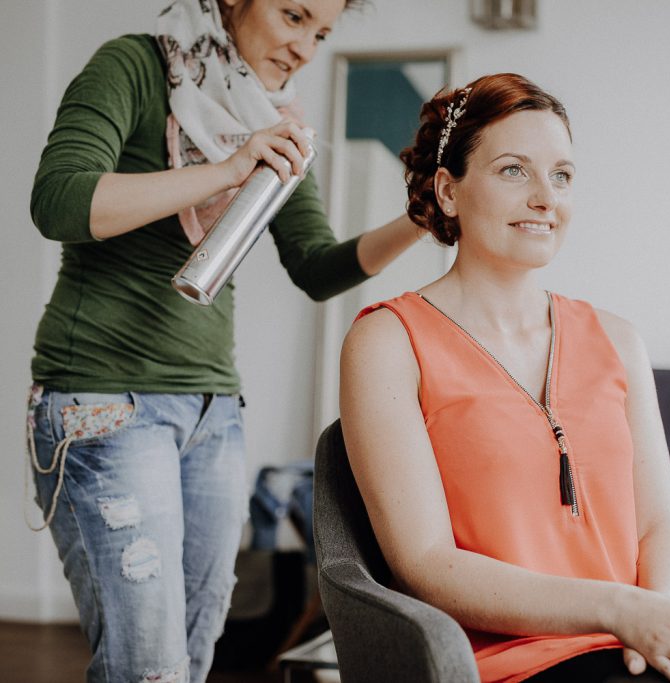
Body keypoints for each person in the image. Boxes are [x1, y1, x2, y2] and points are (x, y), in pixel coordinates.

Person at [339, 73, 670, 683]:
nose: (546, 197)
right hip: (508, 666)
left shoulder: (618, 339)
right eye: (514, 170)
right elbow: (425, 562)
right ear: (447, 190)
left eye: (563, 175)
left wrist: (667, 624)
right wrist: (622, 609)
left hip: (637, 652)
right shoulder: (388, 341)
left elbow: (659, 528)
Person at [26, 1, 421, 681]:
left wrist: (419, 220)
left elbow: (317, 265)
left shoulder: (275, 121)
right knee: (150, 668)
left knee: (193, 656)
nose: (304, 48)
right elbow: (59, 200)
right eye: (294, 15)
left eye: (321, 34)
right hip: (104, 408)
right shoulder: (134, 67)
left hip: (212, 416)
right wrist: (228, 169)